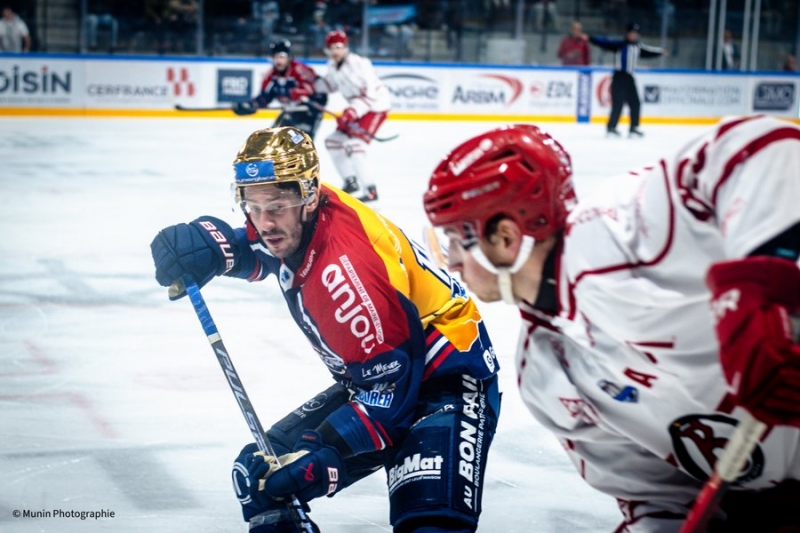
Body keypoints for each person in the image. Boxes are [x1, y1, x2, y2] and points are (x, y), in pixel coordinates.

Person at [422, 115, 800, 532]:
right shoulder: (546, 376)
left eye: (457, 240)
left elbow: (769, 145)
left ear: (506, 237)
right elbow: (653, 496)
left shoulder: (623, 226)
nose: (453, 263)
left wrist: (753, 293)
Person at [150, 126, 501, 533]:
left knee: (429, 525)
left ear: (310, 195)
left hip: (445, 380)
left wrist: (323, 455)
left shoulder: (346, 274)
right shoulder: (303, 213)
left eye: (277, 205)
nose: (264, 221)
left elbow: (391, 394)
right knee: (262, 478)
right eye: (253, 205)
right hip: (383, 372)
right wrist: (215, 246)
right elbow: (266, 245)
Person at [316, 29, 391, 203]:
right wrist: (308, 85)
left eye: (339, 47)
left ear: (345, 47)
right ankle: (350, 182)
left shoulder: (360, 64)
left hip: (375, 107)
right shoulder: (333, 66)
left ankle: (371, 190)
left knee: (355, 146)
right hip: (356, 108)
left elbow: (370, 95)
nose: (335, 51)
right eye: (332, 47)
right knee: (332, 141)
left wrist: (351, 112)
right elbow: (329, 85)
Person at [585, 22, 667, 138]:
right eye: (631, 33)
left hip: (629, 78)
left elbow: (648, 51)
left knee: (635, 103)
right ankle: (611, 128)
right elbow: (604, 42)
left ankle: (633, 127)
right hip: (619, 77)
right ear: (627, 34)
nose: (633, 35)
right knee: (618, 103)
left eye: (635, 33)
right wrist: (590, 38)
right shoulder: (620, 45)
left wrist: (660, 52)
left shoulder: (637, 47)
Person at [234, 39, 328, 140]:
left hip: (309, 114)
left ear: (289, 57)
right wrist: (250, 105)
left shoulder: (300, 71)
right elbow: (264, 97)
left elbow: (317, 90)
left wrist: (317, 102)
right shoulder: (270, 76)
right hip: (291, 112)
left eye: (282, 57)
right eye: (276, 57)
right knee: (273, 140)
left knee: (301, 144)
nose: (279, 61)